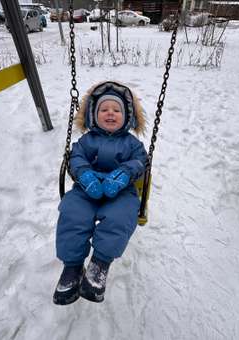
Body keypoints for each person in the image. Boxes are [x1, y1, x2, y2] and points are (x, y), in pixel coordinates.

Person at [53, 81, 147, 305]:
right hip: (88, 189)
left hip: (121, 191)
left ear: (127, 117)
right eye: (104, 110)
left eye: (116, 110)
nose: (110, 114)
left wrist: (125, 173)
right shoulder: (87, 140)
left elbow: (140, 160)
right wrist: (84, 175)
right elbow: (76, 157)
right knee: (72, 214)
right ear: (94, 116)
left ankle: (99, 264)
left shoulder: (132, 143)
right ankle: (73, 266)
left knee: (120, 217)